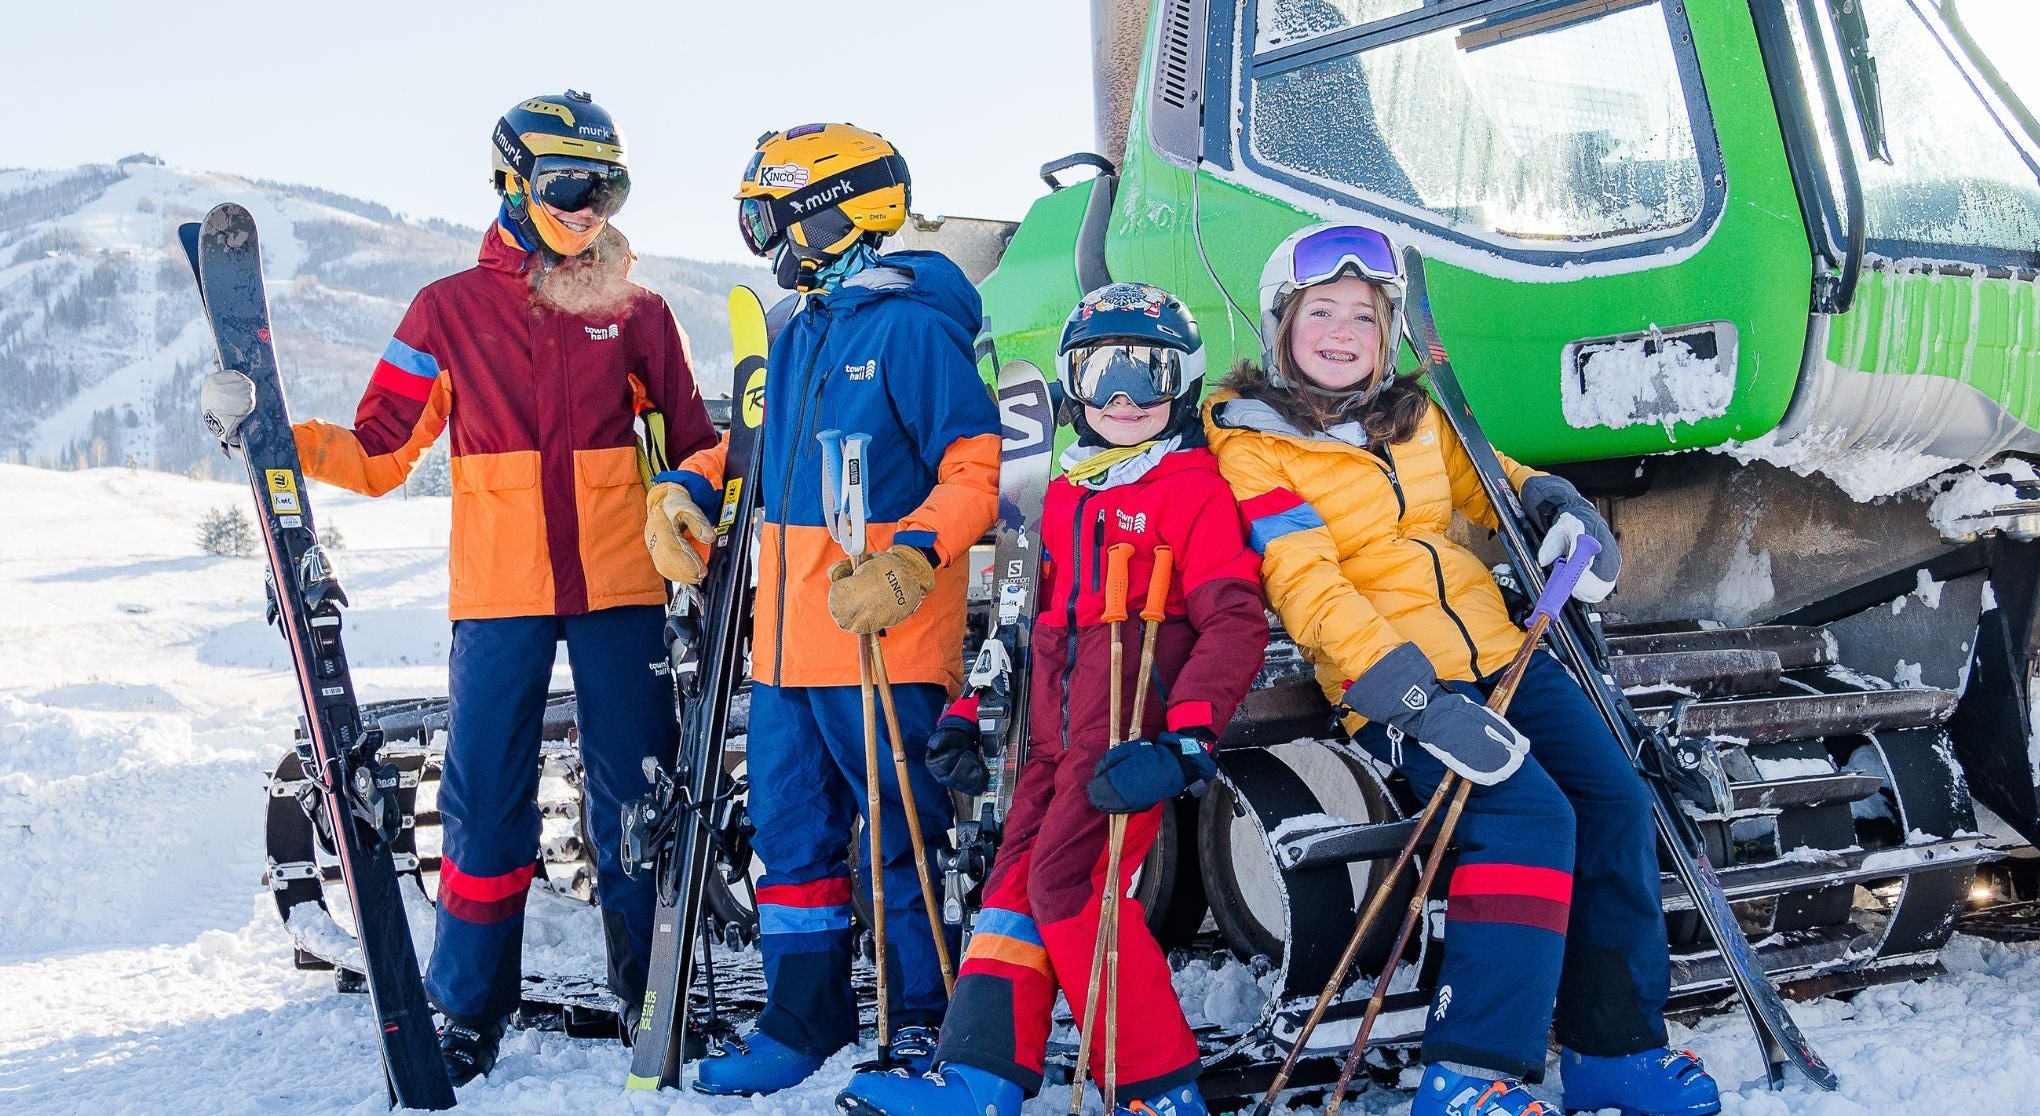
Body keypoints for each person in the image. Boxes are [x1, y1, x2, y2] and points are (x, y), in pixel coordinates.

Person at [200, 91, 717, 1087]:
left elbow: (697, 443)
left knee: (639, 799)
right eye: (570, 187)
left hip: (620, 587)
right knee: (485, 805)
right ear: (513, 186)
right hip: (501, 593)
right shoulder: (448, 310)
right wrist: (268, 428)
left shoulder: (638, 312)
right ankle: (469, 1009)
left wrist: (691, 490)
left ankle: (649, 993)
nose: (590, 210)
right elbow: (380, 451)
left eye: (609, 188)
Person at [1203, 222, 1721, 1116]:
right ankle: (1468, 1072)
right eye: (1320, 311)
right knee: (1526, 815)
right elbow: (1306, 581)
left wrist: (1550, 498)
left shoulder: (1411, 417)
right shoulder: (1253, 443)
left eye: (1363, 316)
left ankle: (1612, 1050)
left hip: (1502, 651)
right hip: (1399, 684)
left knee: (1614, 803)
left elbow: (1491, 477)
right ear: (1280, 324)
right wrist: (1414, 699)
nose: (1341, 332)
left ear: (1388, 329)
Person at [836, 284, 1268, 1116]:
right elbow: (1026, 619)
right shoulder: (1066, 495)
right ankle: (980, 1075)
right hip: (1047, 744)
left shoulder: (1191, 488)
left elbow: (1234, 620)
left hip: (1123, 745)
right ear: (1072, 386)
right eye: (1101, 373)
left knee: (1073, 892)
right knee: (1009, 893)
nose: (1122, 398)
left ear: (1184, 383)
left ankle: (1157, 1088)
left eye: (1147, 375)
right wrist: (972, 710)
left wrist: (1184, 738)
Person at [643, 122, 1000, 1096]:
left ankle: (923, 1020)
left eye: (768, 216)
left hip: (883, 636)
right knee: (790, 836)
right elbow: (753, 450)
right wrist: (687, 486)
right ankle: (803, 1017)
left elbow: (974, 470)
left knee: (900, 836)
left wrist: (913, 555)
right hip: (787, 649)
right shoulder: (799, 331)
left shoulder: (915, 330)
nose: (762, 240)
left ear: (831, 212)